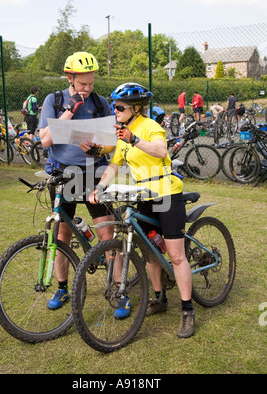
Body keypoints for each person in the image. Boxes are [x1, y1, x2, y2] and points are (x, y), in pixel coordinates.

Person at [89, 83, 195, 339]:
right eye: (114, 107)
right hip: (143, 196)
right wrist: (99, 188)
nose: (115, 111)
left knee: (176, 256)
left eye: (120, 107)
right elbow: (114, 166)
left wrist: (134, 139)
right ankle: (160, 298)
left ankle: (187, 310)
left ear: (136, 108)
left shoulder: (149, 127)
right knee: (150, 253)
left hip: (167, 194)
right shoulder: (122, 134)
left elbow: (160, 151)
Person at [39, 52, 115, 310]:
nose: (87, 88)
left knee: (107, 230)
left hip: (94, 172)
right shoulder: (55, 100)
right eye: (83, 84)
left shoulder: (100, 102)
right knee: (62, 234)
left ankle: (116, 287)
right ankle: (62, 289)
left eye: (91, 83)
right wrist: (70, 110)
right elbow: (46, 140)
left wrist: (98, 149)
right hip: (63, 174)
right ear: (69, 78)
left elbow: (111, 143)